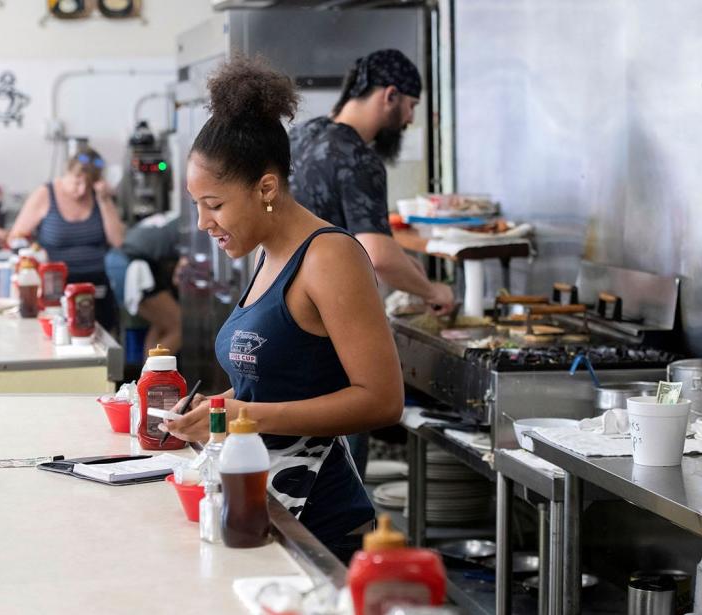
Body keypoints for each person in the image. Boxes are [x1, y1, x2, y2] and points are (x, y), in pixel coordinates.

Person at [164, 56, 404, 563]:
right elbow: (282, 378)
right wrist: (216, 412)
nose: (205, 222)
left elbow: (382, 401)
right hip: (265, 505)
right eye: (197, 206)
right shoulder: (269, 254)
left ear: (266, 188)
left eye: (215, 204)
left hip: (319, 527)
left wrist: (242, 415)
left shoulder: (329, 257)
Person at [288, 49, 454, 478]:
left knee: (296, 474)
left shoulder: (304, 137)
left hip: (284, 316)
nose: (411, 119)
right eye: (412, 105)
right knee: (340, 475)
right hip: (334, 332)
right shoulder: (359, 158)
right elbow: (378, 254)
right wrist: (433, 291)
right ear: (390, 95)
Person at [8, 149, 125, 331]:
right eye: (77, 182)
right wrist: (35, 252)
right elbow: (16, 237)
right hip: (55, 289)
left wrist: (104, 199)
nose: (82, 191)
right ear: (67, 172)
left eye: (88, 185)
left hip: (95, 287)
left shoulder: (97, 196)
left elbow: (118, 241)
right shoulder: (45, 194)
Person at [104, 213, 182, 353]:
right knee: (179, 327)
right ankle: (154, 374)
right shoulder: (193, 226)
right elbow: (179, 276)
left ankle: (147, 372)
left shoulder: (175, 218)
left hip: (116, 260)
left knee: (161, 324)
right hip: (131, 264)